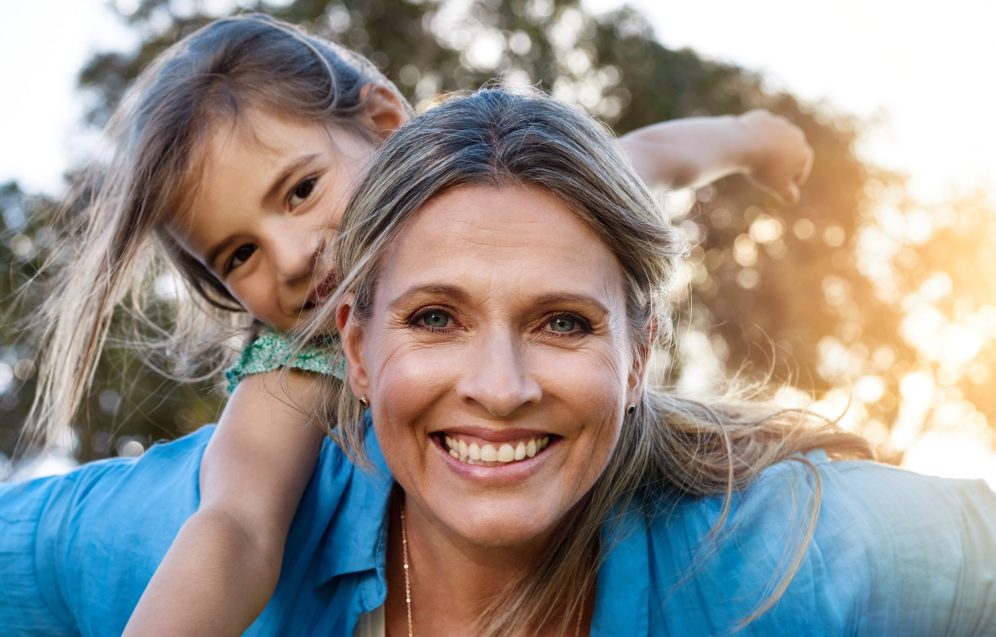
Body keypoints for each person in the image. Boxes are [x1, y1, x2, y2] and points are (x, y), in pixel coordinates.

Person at [4, 87, 993, 636]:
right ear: (352, 339)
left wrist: (753, 137)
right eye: (435, 315)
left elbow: (657, 153)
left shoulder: (799, 551)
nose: (296, 253)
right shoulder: (279, 388)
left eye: (564, 321)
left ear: (640, 349)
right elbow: (229, 533)